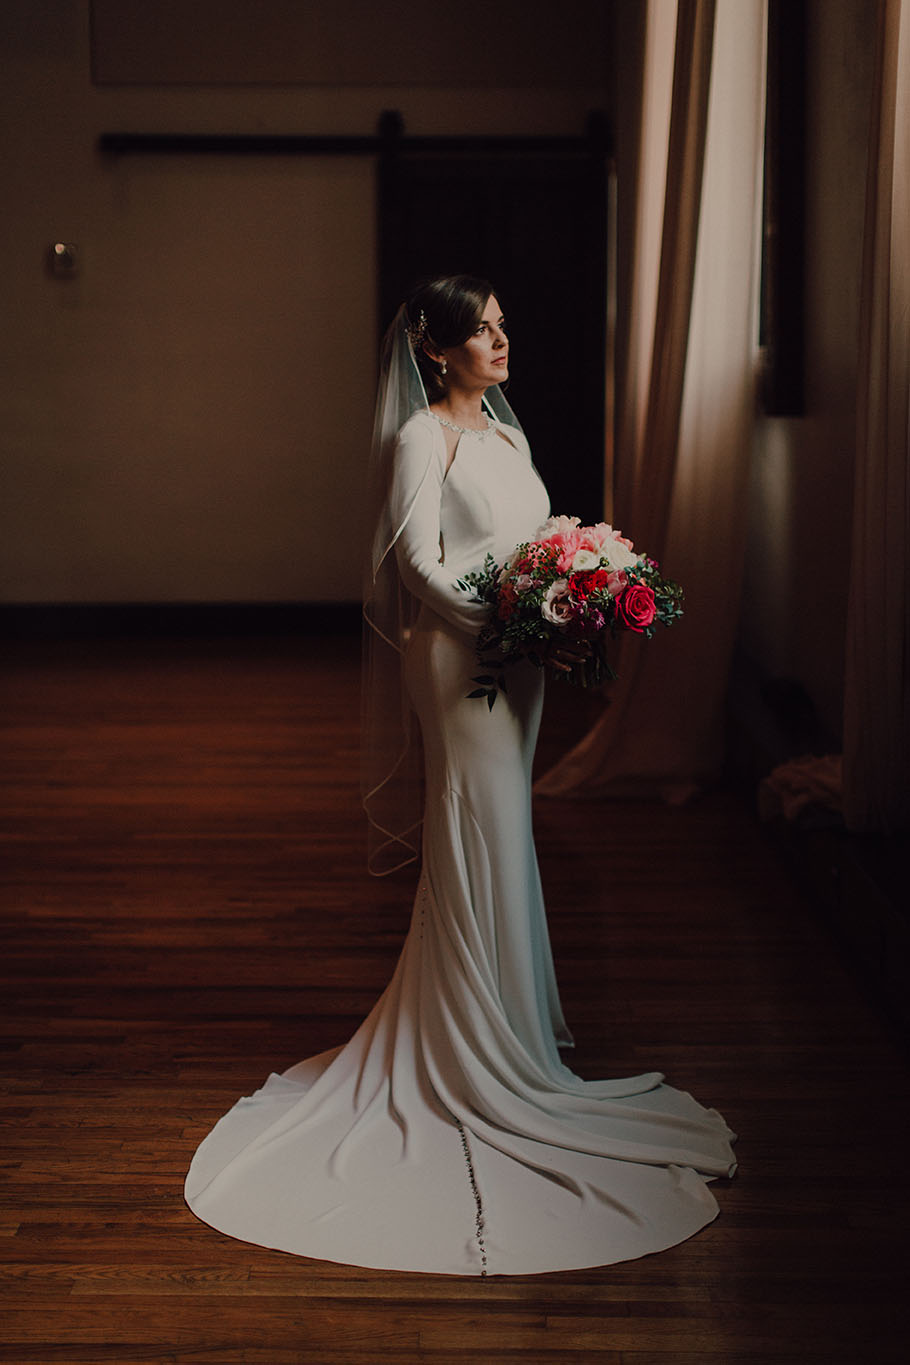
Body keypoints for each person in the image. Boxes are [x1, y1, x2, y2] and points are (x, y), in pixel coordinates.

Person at [185, 274, 736, 1276]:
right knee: (471, 820)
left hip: (515, 664)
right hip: (455, 662)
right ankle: (466, 1045)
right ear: (434, 352)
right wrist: (505, 622)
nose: (499, 340)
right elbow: (416, 566)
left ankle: (514, 1030)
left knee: (503, 826)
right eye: (479, 331)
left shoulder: (507, 437)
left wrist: (570, 592)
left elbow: (523, 546)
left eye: (501, 325)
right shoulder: (419, 440)